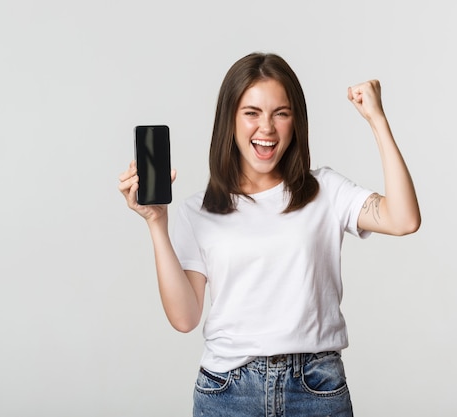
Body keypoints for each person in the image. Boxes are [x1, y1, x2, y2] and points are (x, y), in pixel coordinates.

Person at [118, 52, 420, 417]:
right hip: (228, 392)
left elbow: (404, 219)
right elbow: (184, 318)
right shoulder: (199, 210)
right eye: (252, 113)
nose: (267, 128)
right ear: (229, 120)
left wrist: (377, 120)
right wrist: (156, 223)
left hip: (316, 388)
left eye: (281, 112)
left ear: (296, 122)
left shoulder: (325, 189)